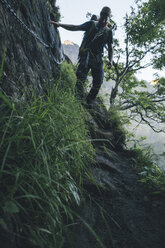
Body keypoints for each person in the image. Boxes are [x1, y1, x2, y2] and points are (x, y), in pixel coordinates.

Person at [50, 6, 113, 104]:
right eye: (103, 14)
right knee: (80, 78)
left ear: (109, 17)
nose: (105, 17)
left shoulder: (109, 32)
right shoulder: (92, 24)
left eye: (107, 15)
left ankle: (89, 101)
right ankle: (77, 100)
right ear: (100, 14)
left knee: (98, 81)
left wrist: (110, 60)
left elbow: (110, 47)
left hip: (97, 59)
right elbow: (76, 27)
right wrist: (60, 24)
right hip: (86, 55)